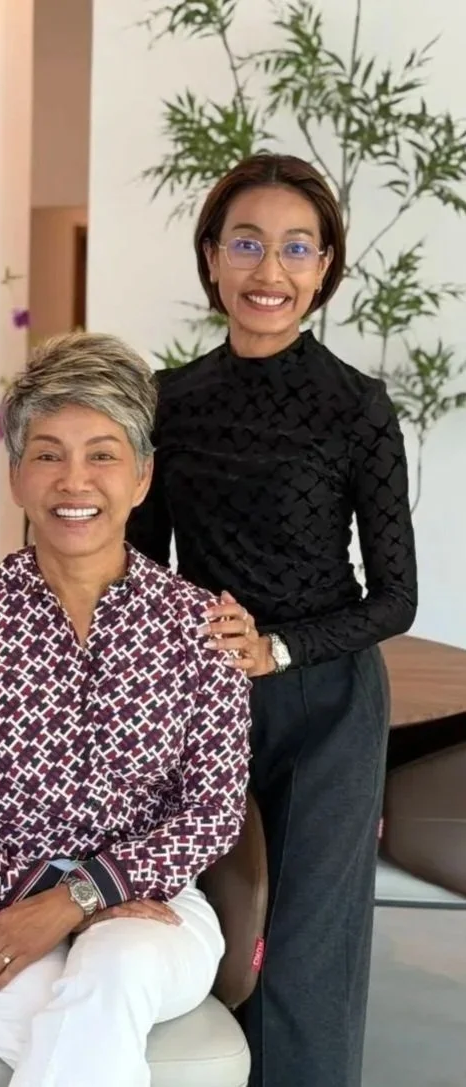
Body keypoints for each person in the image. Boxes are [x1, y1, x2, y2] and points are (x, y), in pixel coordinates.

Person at [0, 331, 254, 1087]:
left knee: (111, 971)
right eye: (47, 453)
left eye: (103, 454)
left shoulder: (200, 625)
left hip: (150, 915)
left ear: (143, 476)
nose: (73, 479)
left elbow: (213, 809)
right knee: (90, 1023)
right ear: (15, 475)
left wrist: (84, 897)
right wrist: (31, 897)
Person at [127, 152, 417, 1087]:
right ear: (211, 256)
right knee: (193, 928)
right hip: (205, 700)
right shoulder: (167, 402)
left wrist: (280, 646)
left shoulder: (356, 409)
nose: (270, 271)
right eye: (246, 243)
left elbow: (393, 597)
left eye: (298, 248)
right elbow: (140, 571)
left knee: (304, 950)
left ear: (326, 267)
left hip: (328, 701)